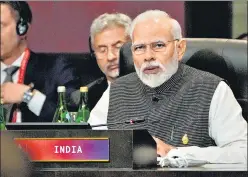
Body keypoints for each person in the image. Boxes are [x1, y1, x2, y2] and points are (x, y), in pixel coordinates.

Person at [89, 10, 247, 163]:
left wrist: (177, 153)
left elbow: (242, 151)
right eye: (139, 48)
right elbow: (87, 145)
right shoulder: (117, 90)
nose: (148, 56)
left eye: (158, 45)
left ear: (180, 48)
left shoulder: (212, 89)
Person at [0, 1, 80, 122]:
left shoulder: (55, 69)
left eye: (0, 25)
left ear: (22, 28)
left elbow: (74, 121)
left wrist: (29, 97)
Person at [77, 13, 131, 128]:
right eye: (102, 50)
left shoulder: (156, 90)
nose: (110, 57)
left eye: (118, 47)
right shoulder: (81, 99)